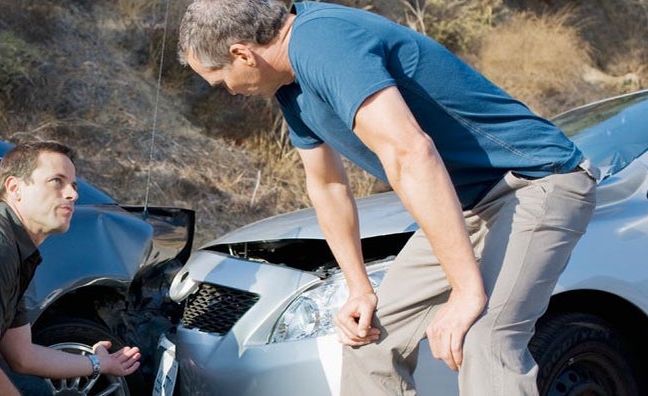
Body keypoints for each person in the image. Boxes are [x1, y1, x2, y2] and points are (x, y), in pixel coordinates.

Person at [177, 1, 596, 395]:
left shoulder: (322, 40)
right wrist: (359, 290)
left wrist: (466, 291)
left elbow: (411, 152)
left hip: (534, 183)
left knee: (485, 335)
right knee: (368, 338)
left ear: (243, 54)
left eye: (220, 81)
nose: (229, 92)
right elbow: (327, 185)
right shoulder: (291, 88)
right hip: (467, 206)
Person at [0, 141, 142, 396]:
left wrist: (100, 363)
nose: (72, 194)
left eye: (73, 185)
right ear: (15, 188)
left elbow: (22, 355)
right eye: (57, 181)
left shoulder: (17, 249)